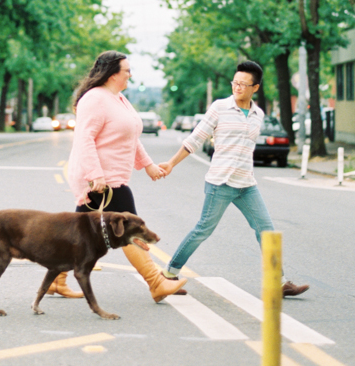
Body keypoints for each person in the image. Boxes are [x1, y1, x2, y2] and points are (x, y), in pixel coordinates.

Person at [159, 60, 309, 297]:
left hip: (247, 184)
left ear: (255, 88)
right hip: (220, 182)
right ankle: (168, 274)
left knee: (266, 230)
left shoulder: (258, 114)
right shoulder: (220, 107)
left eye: (243, 84)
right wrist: (171, 163)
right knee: (203, 230)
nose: (237, 87)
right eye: (235, 82)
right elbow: (195, 139)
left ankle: (279, 282)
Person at [50, 50, 187, 302]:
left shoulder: (119, 98)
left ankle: (55, 281)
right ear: (113, 74)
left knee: (80, 235)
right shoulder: (94, 99)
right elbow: (85, 138)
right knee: (130, 228)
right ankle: (156, 283)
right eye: (127, 70)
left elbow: (131, 136)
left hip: (113, 177)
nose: (130, 75)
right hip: (101, 180)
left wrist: (148, 166)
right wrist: (95, 175)